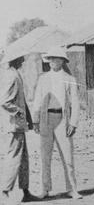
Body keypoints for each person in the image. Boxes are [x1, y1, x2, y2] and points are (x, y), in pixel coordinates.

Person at [32, 46, 82, 199]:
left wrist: (73, 123)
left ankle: (71, 189)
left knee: (67, 156)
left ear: (63, 60)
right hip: (46, 119)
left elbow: (75, 102)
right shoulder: (43, 78)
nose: (53, 61)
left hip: (63, 120)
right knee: (44, 156)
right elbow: (37, 100)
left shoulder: (70, 79)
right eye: (51, 58)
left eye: (56, 58)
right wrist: (35, 120)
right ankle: (44, 189)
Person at [1, 54, 39, 202]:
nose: (23, 60)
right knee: (14, 157)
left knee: (23, 159)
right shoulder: (11, 76)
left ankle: (25, 191)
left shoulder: (15, 74)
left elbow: (21, 100)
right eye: (21, 58)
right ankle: (4, 190)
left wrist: (28, 120)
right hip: (13, 125)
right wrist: (18, 112)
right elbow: (4, 101)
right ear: (15, 59)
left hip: (19, 125)